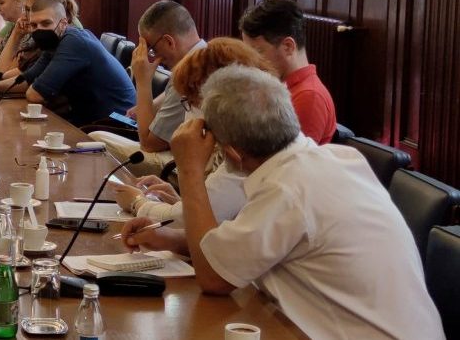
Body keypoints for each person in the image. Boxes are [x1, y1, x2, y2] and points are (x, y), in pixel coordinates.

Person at [121, 65, 444, 340]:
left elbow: (213, 278)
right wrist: (172, 239)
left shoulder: (288, 189)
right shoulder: (334, 159)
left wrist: (190, 169)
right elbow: (244, 248)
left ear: (230, 151)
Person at [111, 38, 275, 225]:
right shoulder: (246, 135)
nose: (189, 111)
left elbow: (192, 223)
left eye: (190, 101)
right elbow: (211, 211)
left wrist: (137, 202)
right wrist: (178, 201)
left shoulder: (244, 152)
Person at [0, 0, 136, 126]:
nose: (39, 29)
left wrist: (35, 87)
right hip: (92, 120)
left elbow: (35, 95)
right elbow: (27, 78)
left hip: (116, 123)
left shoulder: (73, 42)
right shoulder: (54, 42)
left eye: (46, 23)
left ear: (63, 23)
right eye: (34, 25)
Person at [89, 1, 205, 174]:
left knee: (95, 141)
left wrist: (143, 82)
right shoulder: (205, 54)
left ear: (169, 42)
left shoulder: (191, 71)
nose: (153, 56)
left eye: (152, 48)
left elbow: (149, 144)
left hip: (183, 165)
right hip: (189, 156)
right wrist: (146, 106)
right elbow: (172, 95)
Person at [239, 0, 337, 144]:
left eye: (258, 52)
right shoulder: (277, 85)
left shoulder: (309, 96)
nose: (252, 63)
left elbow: (293, 156)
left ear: (288, 47)